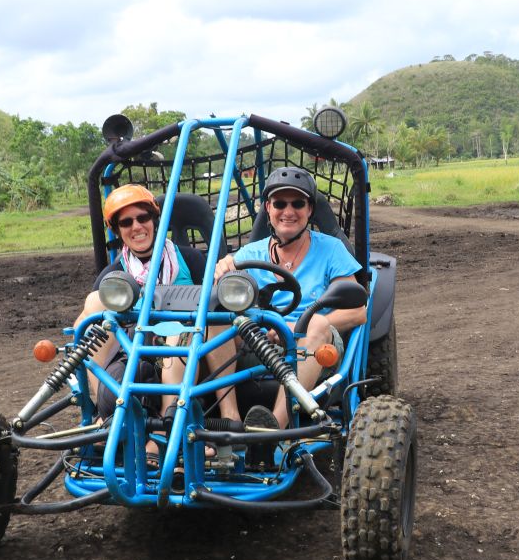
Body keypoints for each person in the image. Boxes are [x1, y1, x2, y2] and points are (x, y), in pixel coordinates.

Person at [208, 166, 366, 429]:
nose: (289, 212)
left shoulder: (331, 249)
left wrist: (297, 328)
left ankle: (275, 427)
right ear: (268, 208)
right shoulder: (250, 254)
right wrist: (223, 268)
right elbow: (224, 295)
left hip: (315, 347)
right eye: (280, 203)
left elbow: (357, 311)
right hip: (257, 343)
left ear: (310, 209)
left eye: (298, 203)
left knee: (316, 323)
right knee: (216, 317)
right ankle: (229, 416)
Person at [74, 184, 198, 418]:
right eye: (126, 222)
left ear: (154, 221)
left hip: (185, 345)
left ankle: (168, 420)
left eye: (143, 218)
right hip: (133, 349)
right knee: (93, 305)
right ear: (118, 230)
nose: (137, 227)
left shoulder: (189, 259)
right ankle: (105, 410)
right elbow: (86, 323)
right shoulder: (113, 275)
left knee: (177, 335)